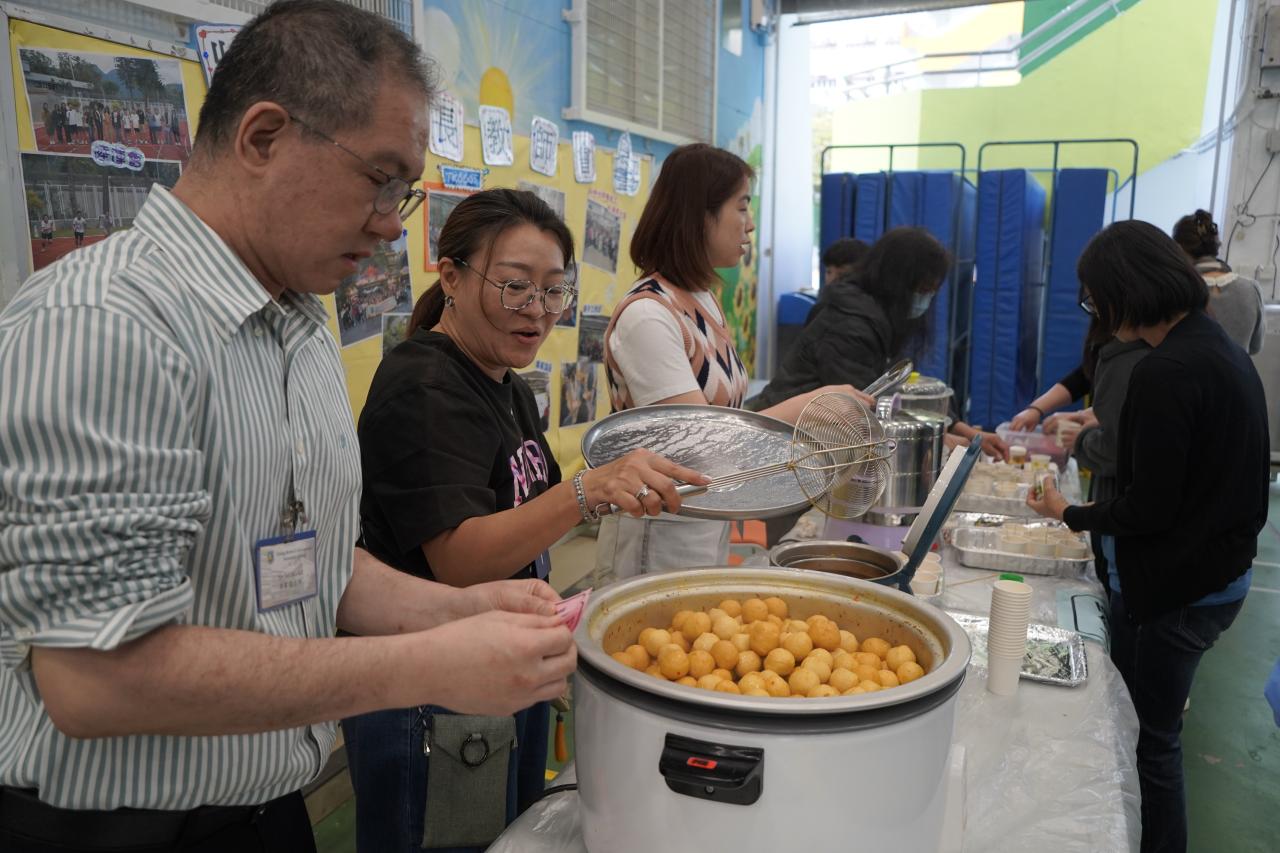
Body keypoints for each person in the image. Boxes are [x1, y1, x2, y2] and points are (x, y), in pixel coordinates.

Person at [0, 4, 576, 852]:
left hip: (267, 803)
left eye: (404, 190)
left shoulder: (297, 323)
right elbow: (97, 676)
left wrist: (455, 608)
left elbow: (310, 563)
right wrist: (426, 664)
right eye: (380, 179)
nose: (392, 222)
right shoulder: (106, 323)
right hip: (111, 827)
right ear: (263, 137)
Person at [346, 188, 702, 853]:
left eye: (552, 290)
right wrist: (586, 491)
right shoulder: (424, 384)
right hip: (433, 694)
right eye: (514, 286)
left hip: (498, 670)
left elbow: (522, 520)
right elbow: (460, 560)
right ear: (451, 277)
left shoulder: (505, 384)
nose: (536, 310)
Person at [1027, 220, 1268, 853]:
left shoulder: (1168, 370)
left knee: (1148, 741)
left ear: (1125, 292)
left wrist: (1068, 513)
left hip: (1179, 589)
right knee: (1151, 735)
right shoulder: (1214, 349)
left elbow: (1148, 508)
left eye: (1096, 300)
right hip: (1215, 575)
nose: (1098, 316)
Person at [598, 143, 873, 576]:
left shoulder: (702, 300)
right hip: (660, 530)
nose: (750, 224)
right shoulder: (649, 315)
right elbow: (700, 443)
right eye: (741, 207)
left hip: (707, 517)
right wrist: (810, 404)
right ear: (699, 216)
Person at [749, 228, 1007, 458]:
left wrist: (965, 430)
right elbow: (863, 410)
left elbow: (896, 389)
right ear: (899, 282)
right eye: (923, 290)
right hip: (783, 444)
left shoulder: (880, 316)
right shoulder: (849, 324)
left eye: (931, 292)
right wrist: (939, 439)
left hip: (815, 441)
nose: (925, 300)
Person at [1172, 209, 1264, 354]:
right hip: (1238, 368)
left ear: (1178, 249)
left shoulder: (1178, 291)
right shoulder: (1251, 289)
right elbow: (1255, 347)